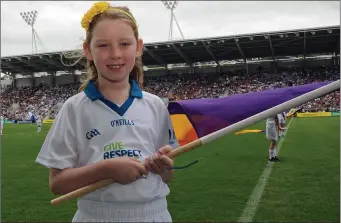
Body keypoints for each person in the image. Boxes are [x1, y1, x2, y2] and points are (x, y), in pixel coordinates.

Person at [35, 2, 179, 222]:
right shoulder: (74, 108)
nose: (115, 54)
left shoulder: (156, 105)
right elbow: (57, 184)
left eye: (124, 44)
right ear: (88, 50)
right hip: (96, 215)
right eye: (103, 45)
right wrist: (106, 169)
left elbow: (168, 175)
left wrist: (162, 166)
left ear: (138, 47)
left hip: (153, 214)